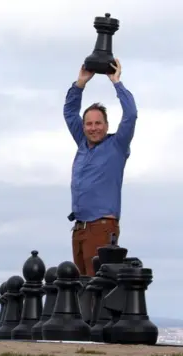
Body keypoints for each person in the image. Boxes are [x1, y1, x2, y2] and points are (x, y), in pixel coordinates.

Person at [64, 58, 137, 277]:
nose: (93, 128)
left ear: (106, 125)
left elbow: (131, 115)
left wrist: (116, 83)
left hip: (101, 228)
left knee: (96, 289)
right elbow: (69, 112)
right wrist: (80, 83)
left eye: (98, 123)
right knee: (79, 290)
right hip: (80, 229)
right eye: (89, 123)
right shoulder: (83, 143)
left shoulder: (117, 145)